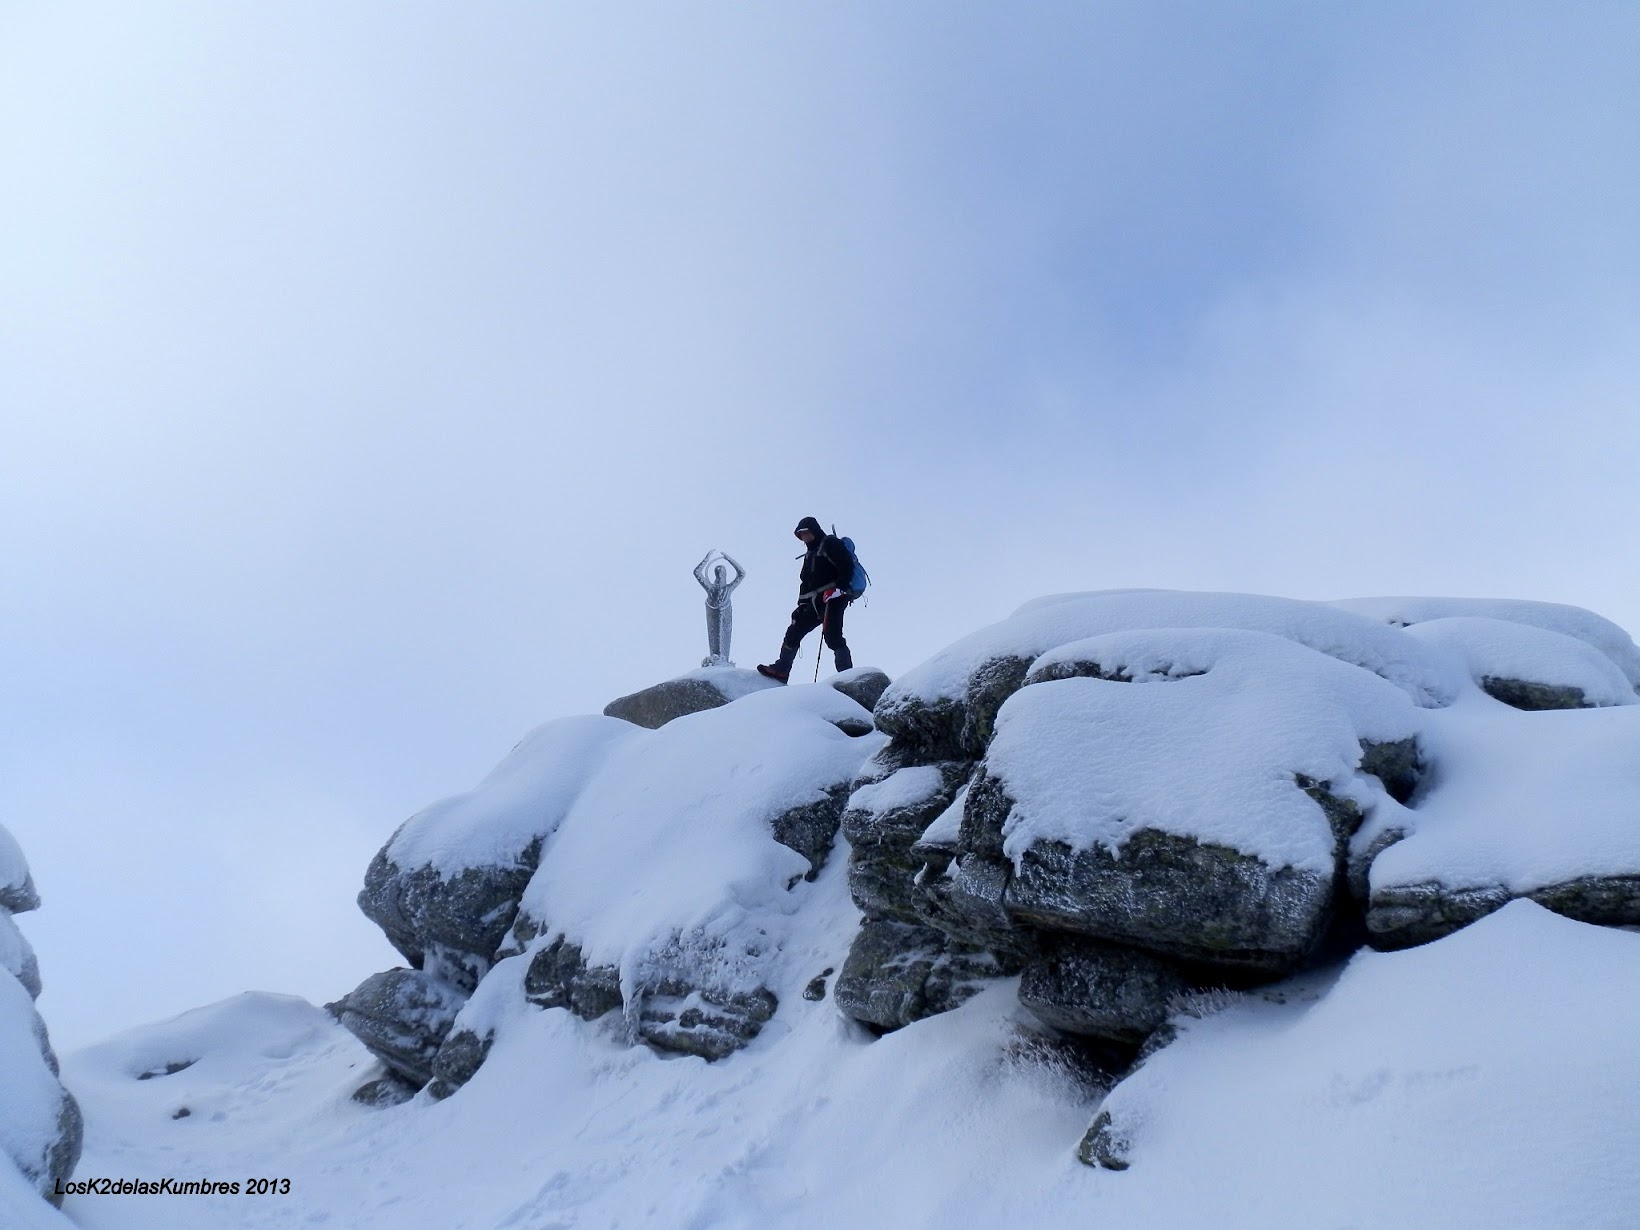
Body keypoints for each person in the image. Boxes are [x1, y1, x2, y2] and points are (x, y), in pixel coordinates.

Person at [757, 516, 854, 682]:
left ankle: (848, 678)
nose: (804, 537)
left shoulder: (830, 543)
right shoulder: (810, 554)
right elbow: (805, 582)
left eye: (806, 532)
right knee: (794, 632)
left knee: (833, 636)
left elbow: (846, 565)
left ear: (814, 530)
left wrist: (839, 589)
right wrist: (801, 604)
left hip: (834, 597)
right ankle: (782, 670)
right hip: (813, 601)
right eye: (801, 534)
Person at [693, 549, 746, 668]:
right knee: (714, 638)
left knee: (724, 638)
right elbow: (697, 572)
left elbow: (742, 574)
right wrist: (706, 559)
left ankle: (723, 660)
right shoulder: (710, 589)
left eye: (722, 573)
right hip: (712, 614)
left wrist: (728, 559)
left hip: (725, 614)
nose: (720, 576)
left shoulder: (728, 589)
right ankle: (715, 659)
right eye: (718, 573)